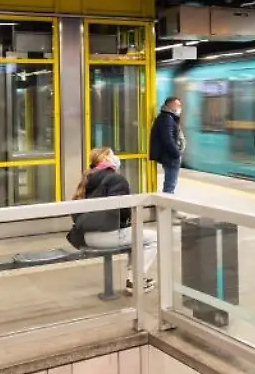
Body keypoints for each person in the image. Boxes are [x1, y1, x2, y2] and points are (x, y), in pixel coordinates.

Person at [68, 147, 159, 295]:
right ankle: (135, 280)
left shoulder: (89, 178)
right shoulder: (116, 179)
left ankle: (135, 278)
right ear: (105, 159)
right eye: (112, 155)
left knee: (136, 236)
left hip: (86, 236)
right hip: (106, 235)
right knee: (152, 238)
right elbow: (123, 210)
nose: (116, 158)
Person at [149, 97, 185, 194]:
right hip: (170, 157)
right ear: (170, 105)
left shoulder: (167, 117)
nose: (180, 108)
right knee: (170, 185)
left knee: (170, 184)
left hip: (169, 156)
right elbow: (167, 139)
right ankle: (167, 201)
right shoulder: (166, 118)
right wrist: (176, 154)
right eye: (178, 105)